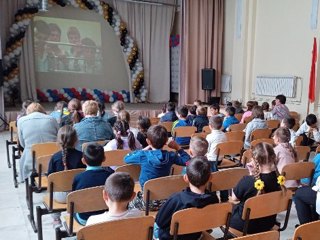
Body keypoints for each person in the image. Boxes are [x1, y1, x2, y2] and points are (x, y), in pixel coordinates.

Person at [124, 125, 190, 210]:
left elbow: (126, 158)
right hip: (165, 201)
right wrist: (178, 147)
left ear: (148, 141)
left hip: (146, 202)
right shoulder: (171, 156)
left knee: (127, 204)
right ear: (166, 141)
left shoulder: (143, 155)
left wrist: (144, 149)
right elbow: (188, 162)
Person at [154, 157, 219, 240]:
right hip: (195, 235)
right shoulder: (214, 199)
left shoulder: (176, 199)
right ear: (210, 177)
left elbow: (160, 221)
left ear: (185, 178)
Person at [230, 142, 283, 234]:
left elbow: (234, 198)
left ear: (254, 160)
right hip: (267, 223)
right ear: (273, 157)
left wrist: (251, 174)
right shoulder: (279, 179)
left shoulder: (248, 180)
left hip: (245, 225)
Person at [47, 125, 85, 228]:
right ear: (76, 140)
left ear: (58, 140)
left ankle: (56, 219)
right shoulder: (81, 156)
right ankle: (76, 217)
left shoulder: (55, 157)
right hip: (77, 194)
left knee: (52, 189)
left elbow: (50, 178)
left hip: (60, 197)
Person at [72, 143, 114, 225]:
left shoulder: (78, 178)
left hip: (85, 219)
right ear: (104, 158)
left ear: (83, 161)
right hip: (107, 215)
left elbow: (74, 198)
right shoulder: (111, 176)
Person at [17, 102, 58, 181]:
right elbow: (58, 138)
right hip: (52, 156)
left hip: (31, 159)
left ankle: (33, 177)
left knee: (27, 151)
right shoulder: (52, 119)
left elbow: (22, 143)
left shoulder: (21, 121)